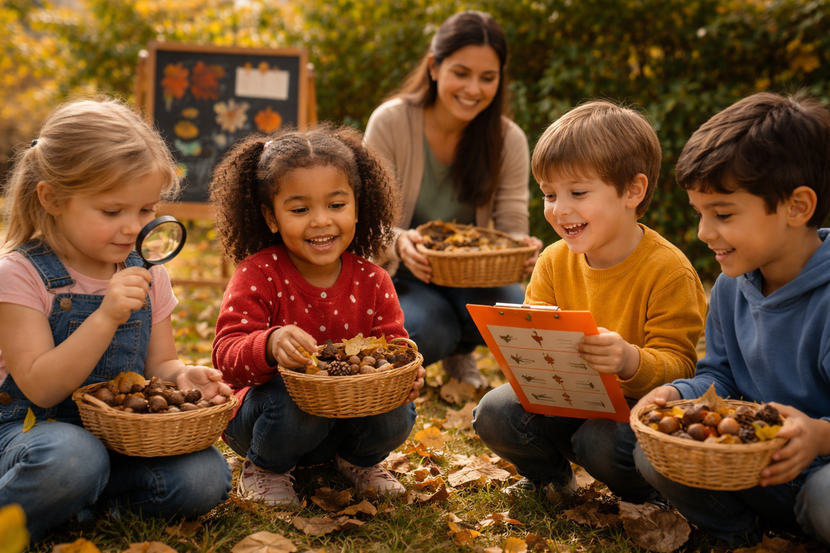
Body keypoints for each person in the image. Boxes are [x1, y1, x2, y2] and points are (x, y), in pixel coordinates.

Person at [0, 99, 233, 543]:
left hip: (120, 441)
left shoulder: (148, 271)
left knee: (205, 475)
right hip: (30, 435)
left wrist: (185, 379)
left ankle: (76, 503)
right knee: (72, 458)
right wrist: (106, 315)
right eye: (112, 212)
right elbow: (40, 386)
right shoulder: (20, 275)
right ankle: (48, 498)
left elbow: (159, 366)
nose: (133, 228)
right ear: (51, 198)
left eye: (146, 210)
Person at [472, 100, 707, 505]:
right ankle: (551, 478)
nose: (560, 209)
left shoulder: (668, 270)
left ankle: (649, 493)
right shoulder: (553, 260)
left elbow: (681, 368)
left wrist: (629, 360)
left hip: (633, 413)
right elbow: (529, 345)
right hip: (565, 397)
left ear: (633, 190)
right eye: (548, 194)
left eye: (577, 192)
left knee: (600, 441)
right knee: (493, 411)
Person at [632, 92, 830, 548]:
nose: (704, 232)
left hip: (819, 473)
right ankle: (743, 537)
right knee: (652, 456)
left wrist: (818, 436)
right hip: (753, 471)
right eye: (700, 214)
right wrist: (676, 393)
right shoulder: (730, 288)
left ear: (797, 207)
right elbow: (718, 373)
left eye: (722, 214)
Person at [210, 124, 427, 508]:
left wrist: (402, 375)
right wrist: (269, 344)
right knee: (295, 401)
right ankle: (266, 469)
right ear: (271, 217)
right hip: (271, 421)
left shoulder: (373, 280)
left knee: (399, 410)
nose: (321, 220)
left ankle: (359, 461)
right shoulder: (258, 274)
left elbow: (394, 347)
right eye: (300, 209)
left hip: (344, 422)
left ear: (358, 207)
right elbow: (226, 357)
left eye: (336, 205)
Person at [364, 10, 543, 389]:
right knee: (425, 331)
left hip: (471, 278)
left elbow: (511, 225)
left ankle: (461, 346)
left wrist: (522, 249)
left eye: (487, 77)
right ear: (434, 66)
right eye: (461, 73)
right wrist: (398, 241)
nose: (473, 88)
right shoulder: (391, 122)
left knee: (517, 313)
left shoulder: (508, 139)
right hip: (404, 275)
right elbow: (364, 220)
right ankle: (450, 344)